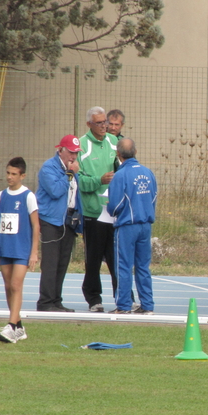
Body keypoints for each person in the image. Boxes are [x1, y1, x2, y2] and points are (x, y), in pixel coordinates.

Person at [0, 157, 40, 343]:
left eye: (14, 174)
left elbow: (36, 226)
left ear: (22, 175)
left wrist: (34, 252)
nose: (10, 177)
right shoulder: (1, 195)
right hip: (5, 247)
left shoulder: (28, 196)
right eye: (8, 173)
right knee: (7, 286)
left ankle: (11, 326)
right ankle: (18, 326)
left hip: (22, 248)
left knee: (16, 285)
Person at [106, 138, 157, 314]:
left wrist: (112, 211)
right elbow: (153, 197)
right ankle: (147, 305)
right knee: (143, 266)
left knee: (124, 266)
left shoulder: (120, 175)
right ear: (135, 151)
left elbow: (115, 204)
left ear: (118, 154)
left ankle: (124, 305)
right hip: (145, 224)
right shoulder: (148, 172)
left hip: (127, 225)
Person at [78, 106, 120, 312]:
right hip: (93, 213)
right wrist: (98, 180)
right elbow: (79, 181)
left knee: (116, 258)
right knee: (93, 259)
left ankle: (123, 297)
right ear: (89, 125)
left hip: (113, 212)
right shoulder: (82, 146)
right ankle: (94, 299)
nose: (105, 126)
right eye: (100, 123)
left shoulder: (114, 142)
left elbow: (124, 168)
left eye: (105, 122)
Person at [36, 134, 84, 312]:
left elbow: (75, 195)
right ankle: (45, 302)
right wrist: (70, 174)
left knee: (63, 262)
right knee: (51, 262)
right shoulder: (49, 167)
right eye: (70, 152)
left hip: (68, 221)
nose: (73, 157)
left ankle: (56, 300)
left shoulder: (73, 169)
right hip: (51, 220)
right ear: (61, 150)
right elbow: (56, 191)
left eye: (76, 153)